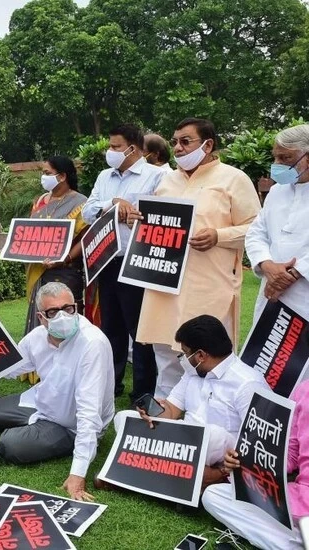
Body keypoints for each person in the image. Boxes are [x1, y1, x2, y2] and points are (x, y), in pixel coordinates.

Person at [137, 118, 262, 398]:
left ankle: (209, 417)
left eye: (186, 141)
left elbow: (257, 229)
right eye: (175, 142)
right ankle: (167, 416)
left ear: (208, 144)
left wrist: (219, 236)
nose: (178, 148)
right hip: (164, 284)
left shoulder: (233, 178)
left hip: (208, 286)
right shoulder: (167, 180)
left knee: (208, 357)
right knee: (166, 355)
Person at [0, 282, 114, 501]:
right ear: (41, 317)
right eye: (53, 312)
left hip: (69, 425)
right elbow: (9, 367)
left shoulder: (93, 344)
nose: (63, 316)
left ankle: (35, 433)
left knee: (10, 446)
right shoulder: (36, 337)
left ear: (76, 308)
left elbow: (89, 411)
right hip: (40, 402)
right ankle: (32, 428)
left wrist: (77, 473)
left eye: (68, 309)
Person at [113, 315, 269, 489]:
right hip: (184, 443)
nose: (183, 359)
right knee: (123, 418)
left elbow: (259, 441)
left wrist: (226, 467)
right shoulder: (193, 372)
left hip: (218, 450)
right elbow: (171, 410)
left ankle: (199, 474)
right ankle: (189, 475)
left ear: (201, 355)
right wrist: (152, 412)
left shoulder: (248, 383)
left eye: (185, 353)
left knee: (213, 436)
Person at [82, 123, 163, 401]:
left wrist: (133, 212)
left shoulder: (157, 176)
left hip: (138, 260)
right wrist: (112, 204)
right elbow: (88, 211)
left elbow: (158, 214)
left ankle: (143, 389)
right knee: (111, 326)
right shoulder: (105, 176)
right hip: (108, 259)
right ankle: (112, 383)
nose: (110, 151)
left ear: (135, 148)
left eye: (116, 147)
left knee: (139, 328)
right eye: (110, 146)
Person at [202, 379, 309, 550]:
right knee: (213, 496)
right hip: (296, 501)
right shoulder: (304, 390)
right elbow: (290, 455)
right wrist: (243, 459)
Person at [245, 123, 309, 322]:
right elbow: (256, 233)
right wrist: (267, 265)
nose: (277, 163)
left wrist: (295, 272)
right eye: (275, 157)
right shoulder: (276, 192)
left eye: (285, 157)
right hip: (272, 292)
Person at [25, 155, 89, 334]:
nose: (43, 177)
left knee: (64, 318)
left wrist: (65, 258)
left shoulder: (81, 203)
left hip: (66, 270)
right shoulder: (41, 201)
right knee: (43, 314)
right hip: (39, 269)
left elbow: (85, 238)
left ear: (62, 176)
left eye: (47, 173)